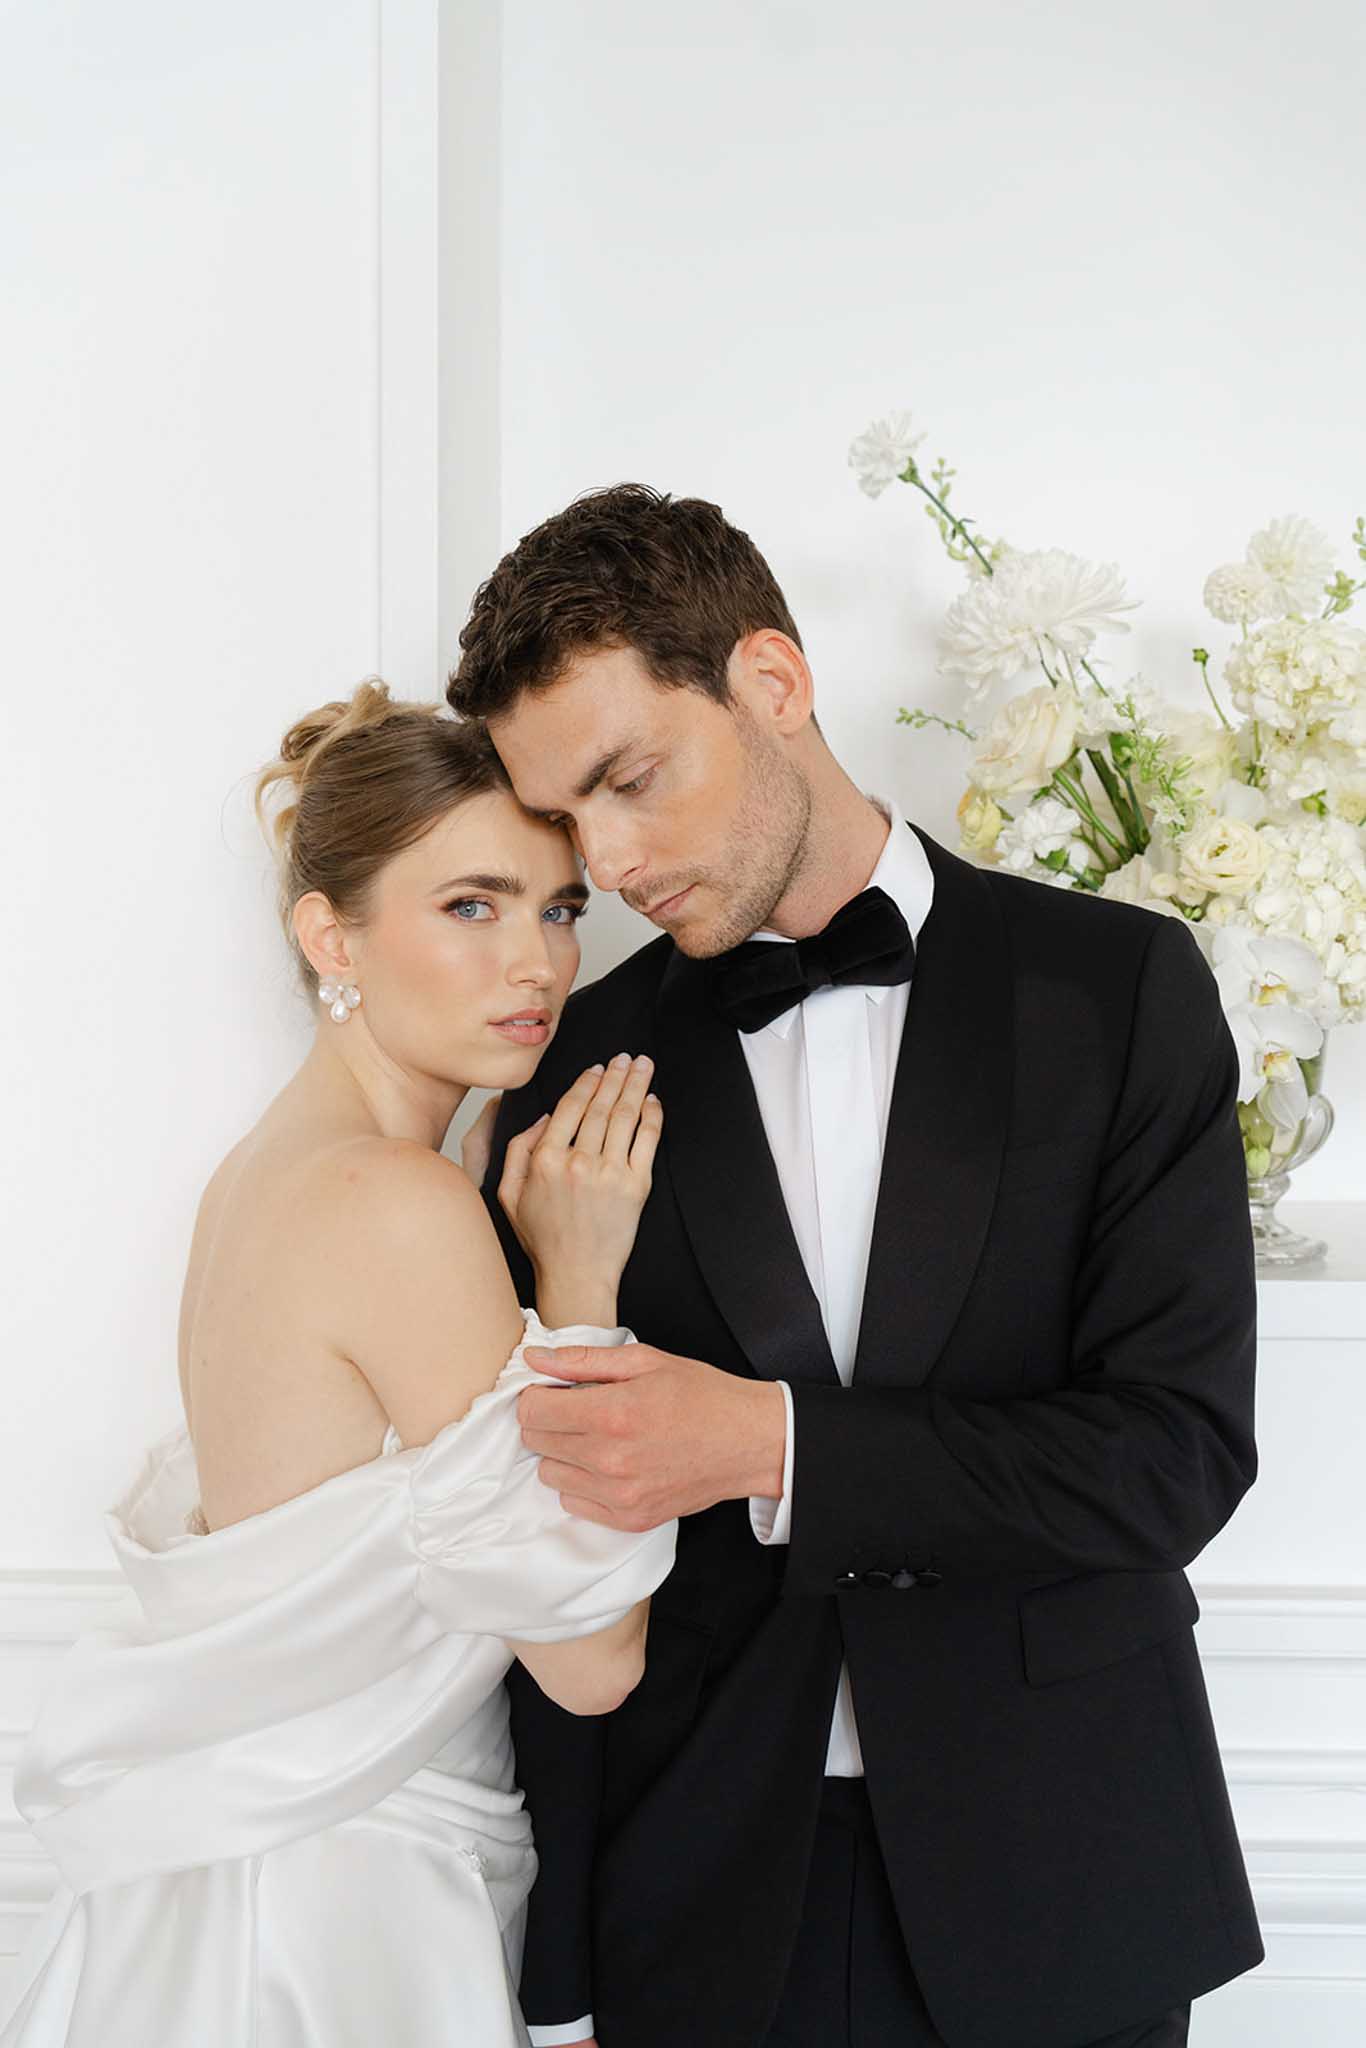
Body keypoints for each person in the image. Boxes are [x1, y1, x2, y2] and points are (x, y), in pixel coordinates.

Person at [449, 485, 1265, 2048]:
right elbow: (518, 1537)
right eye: (565, 823)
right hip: (705, 1880)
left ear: (770, 682)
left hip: (1061, 1853)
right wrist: (555, 1969)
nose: (606, 864)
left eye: (629, 782)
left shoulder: (1115, 989)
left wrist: (766, 1445)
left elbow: (1171, 1458)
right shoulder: (571, 1071)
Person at [0, 683, 678, 2048]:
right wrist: (583, 1285)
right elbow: (590, 1661)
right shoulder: (393, 1201)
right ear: (332, 933)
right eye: (470, 906)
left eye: (558, 908)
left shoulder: (276, 1168)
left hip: (265, 1869)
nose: (538, 963)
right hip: (346, 1902)